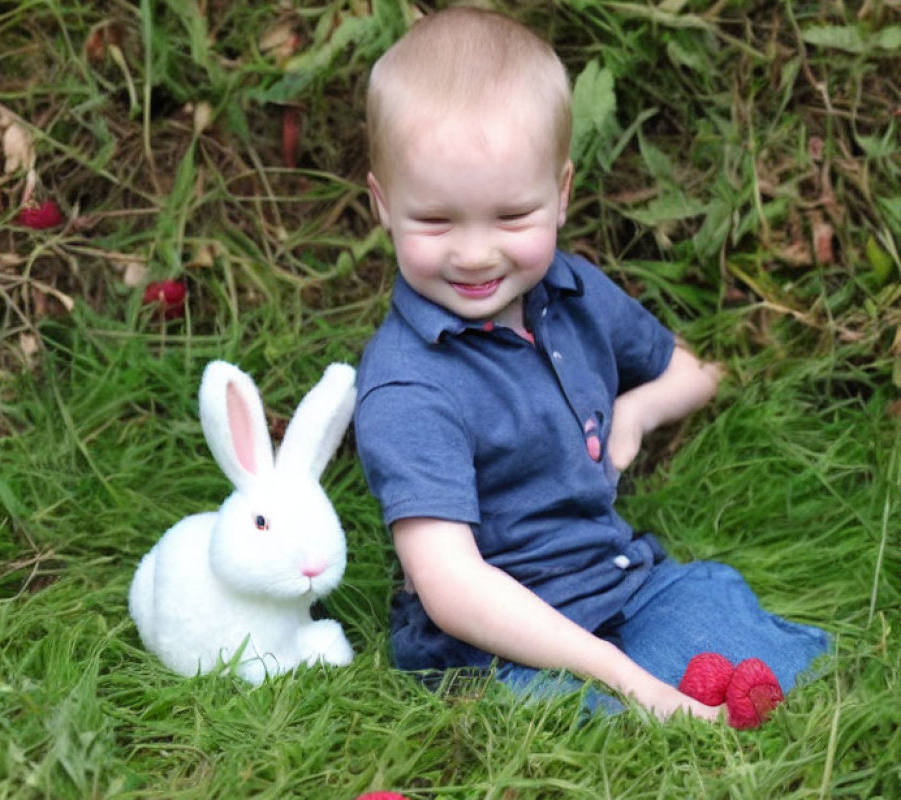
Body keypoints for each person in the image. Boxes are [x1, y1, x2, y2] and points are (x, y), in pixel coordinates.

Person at [353, 5, 828, 720]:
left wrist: (636, 409)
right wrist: (617, 673)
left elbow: (696, 371)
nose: (476, 253)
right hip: (493, 640)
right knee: (590, 716)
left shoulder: (573, 295)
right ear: (384, 206)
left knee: (714, 613)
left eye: (513, 217)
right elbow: (450, 584)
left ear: (562, 193)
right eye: (437, 221)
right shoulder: (407, 383)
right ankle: (634, 693)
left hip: (614, 583)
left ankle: (679, 681)